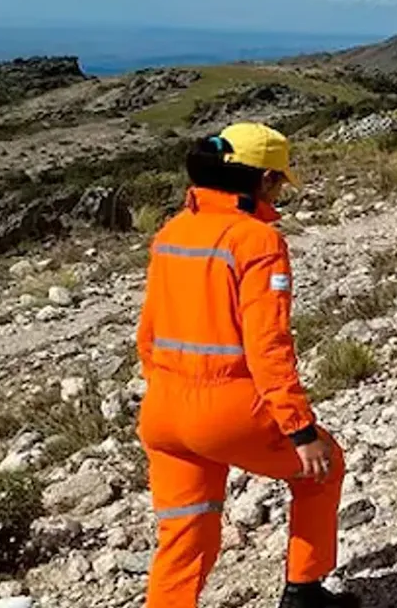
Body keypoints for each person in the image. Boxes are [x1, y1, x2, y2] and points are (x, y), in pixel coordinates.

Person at [136, 123, 358, 608]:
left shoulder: (171, 232)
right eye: (277, 181)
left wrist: (169, 390)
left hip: (163, 412)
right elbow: (268, 344)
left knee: (185, 536)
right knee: (322, 469)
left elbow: (147, 335)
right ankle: (304, 592)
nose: (279, 191)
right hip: (227, 409)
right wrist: (300, 430)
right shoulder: (255, 240)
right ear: (261, 182)